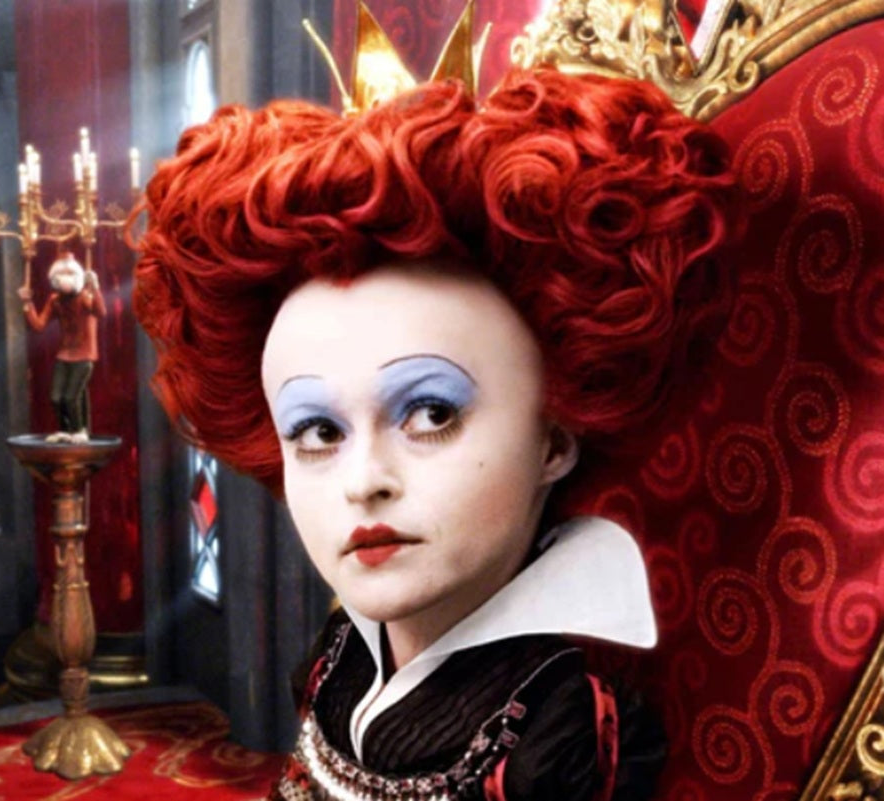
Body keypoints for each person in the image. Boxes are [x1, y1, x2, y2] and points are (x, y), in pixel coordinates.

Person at [133, 63, 739, 800]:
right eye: (316, 430)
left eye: (430, 415)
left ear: (554, 440)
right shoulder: (340, 653)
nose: (363, 482)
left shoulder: (564, 724)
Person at [19, 246, 106, 443]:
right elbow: (39, 325)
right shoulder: (56, 300)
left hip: (84, 354)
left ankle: (79, 431)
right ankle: (65, 430)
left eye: (69, 273)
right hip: (64, 354)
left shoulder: (85, 296)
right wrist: (27, 303)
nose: (65, 277)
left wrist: (96, 287)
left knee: (71, 397)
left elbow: (101, 313)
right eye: (61, 273)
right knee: (56, 397)